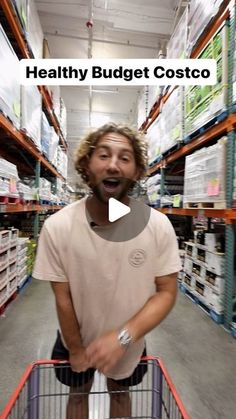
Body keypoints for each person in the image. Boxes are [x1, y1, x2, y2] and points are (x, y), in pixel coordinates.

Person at [33, 122, 181, 419]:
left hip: (131, 338)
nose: (113, 165)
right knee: (77, 395)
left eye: (125, 158)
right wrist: (75, 348)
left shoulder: (157, 226)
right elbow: (63, 298)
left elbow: (166, 291)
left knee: (121, 393)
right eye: (103, 155)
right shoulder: (58, 227)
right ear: (86, 164)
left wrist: (123, 338)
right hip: (75, 335)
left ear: (138, 171)